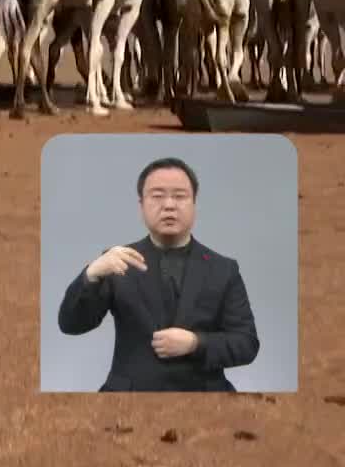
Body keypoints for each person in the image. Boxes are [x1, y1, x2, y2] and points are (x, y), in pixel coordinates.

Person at [56, 156, 259, 391]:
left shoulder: (223, 269)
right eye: (157, 196)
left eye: (180, 196)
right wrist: (91, 274)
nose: (169, 205)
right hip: (129, 397)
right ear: (141, 205)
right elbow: (71, 324)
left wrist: (196, 343)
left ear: (195, 204)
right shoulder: (117, 261)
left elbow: (246, 343)